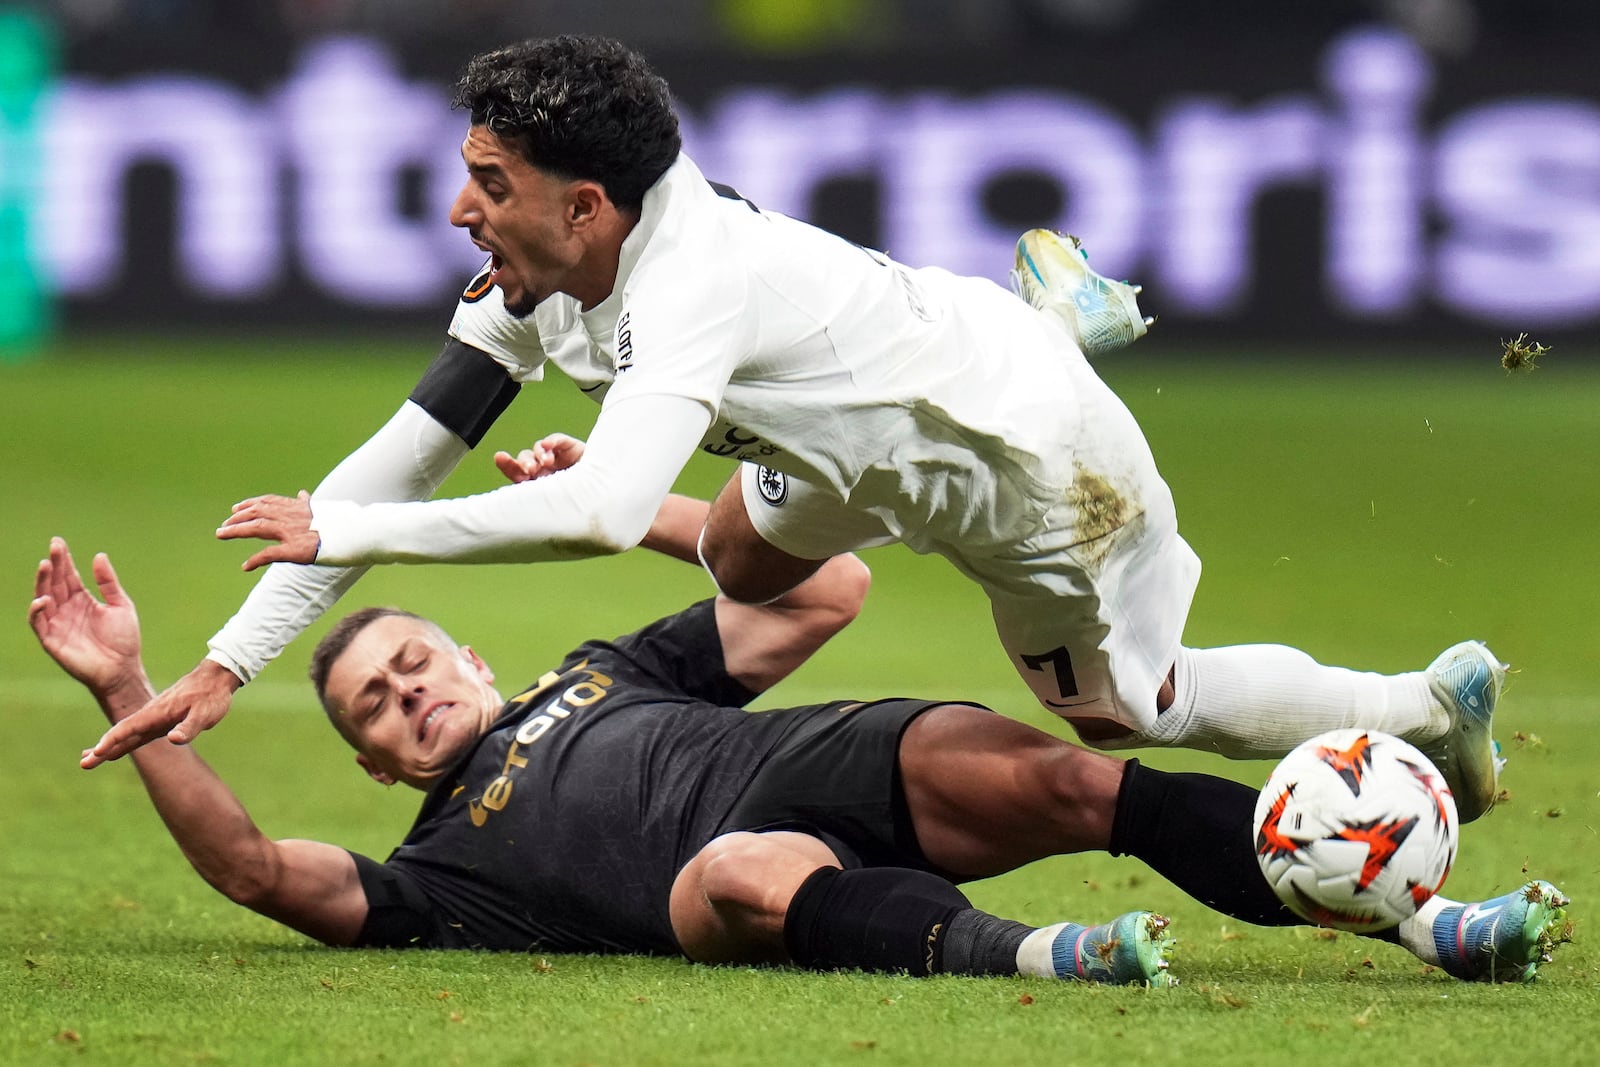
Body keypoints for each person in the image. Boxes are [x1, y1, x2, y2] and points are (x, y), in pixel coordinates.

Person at [87, 35, 1499, 826]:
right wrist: (228, 660)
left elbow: (572, 521)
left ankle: (1427, 709)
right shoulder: (542, 278)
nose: (463, 209)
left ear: (589, 205)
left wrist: (347, 532)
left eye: (491, 181)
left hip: (1012, 462)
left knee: (1131, 709)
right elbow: (403, 454)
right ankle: (1043, 315)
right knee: (748, 567)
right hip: (851, 434)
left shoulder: (688, 284)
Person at [31, 523, 1570, 984]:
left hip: (825, 756)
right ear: (372, 763)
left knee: (1068, 778)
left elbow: (825, 587)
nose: (404, 696)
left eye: (414, 661)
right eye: (373, 703)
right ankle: (1054, 959)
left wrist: (632, 499)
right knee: (742, 871)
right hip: (723, 881)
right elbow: (249, 870)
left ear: (475, 659)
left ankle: (1428, 921)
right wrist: (127, 693)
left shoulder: (603, 668)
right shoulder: (439, 874)